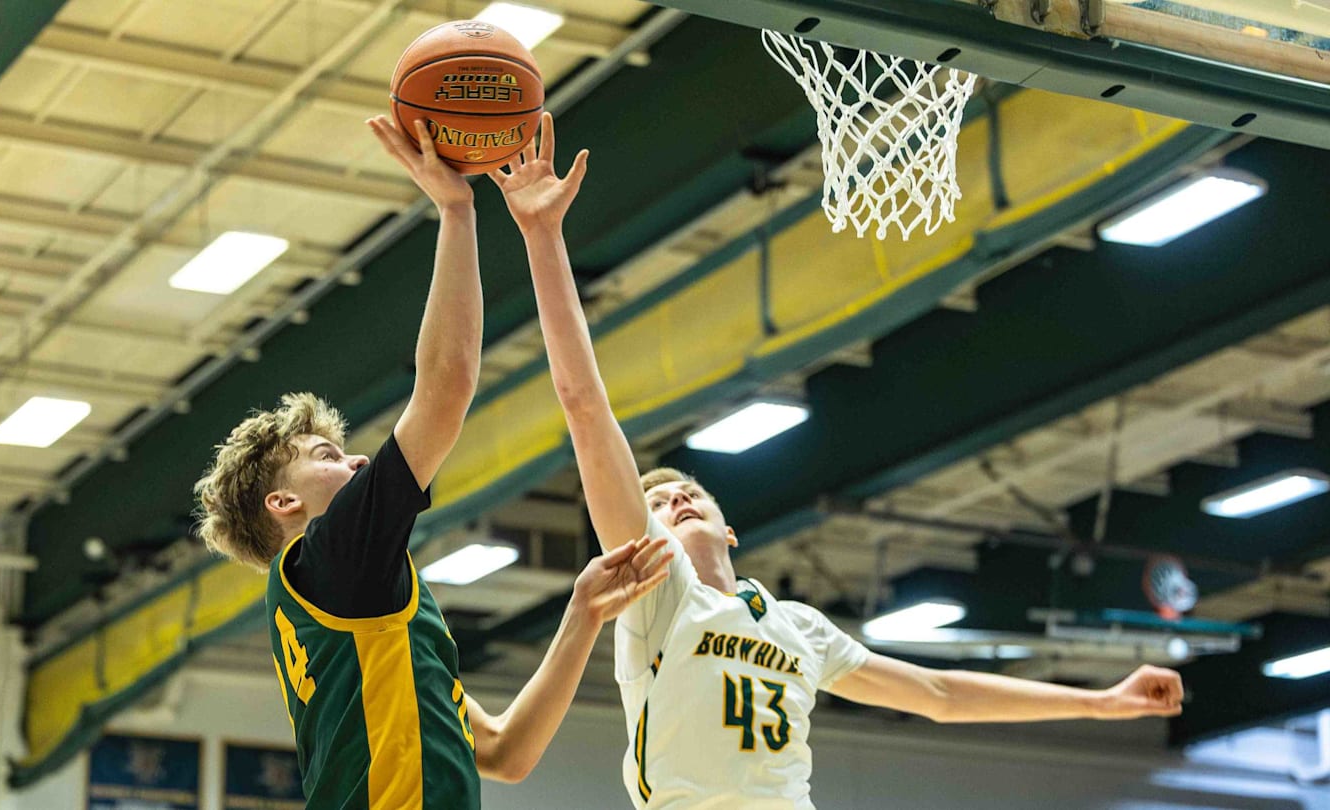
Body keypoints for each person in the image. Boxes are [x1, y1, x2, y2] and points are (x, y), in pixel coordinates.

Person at [490, 111, 1186, 809]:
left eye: (689, 493)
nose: (676, 501)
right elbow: (584, 407)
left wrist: (1100, 703)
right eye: (660, 504)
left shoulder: (798, 626)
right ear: (644, 544)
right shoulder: (657, 601)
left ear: (730, 529)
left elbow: (940, 695)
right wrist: (544, 238)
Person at [192, 116, 671, 810]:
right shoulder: (330, 557)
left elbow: (505, 753)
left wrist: (582, 615)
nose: (355, 458)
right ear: (282, 505)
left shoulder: (365, 609)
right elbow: (446, 384)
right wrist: (456, 211)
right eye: (326, 455)